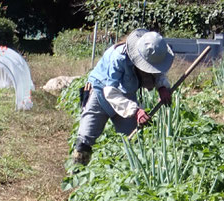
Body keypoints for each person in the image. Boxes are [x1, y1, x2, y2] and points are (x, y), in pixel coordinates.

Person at [72, 28, 174, 165]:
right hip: (101, 92)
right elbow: (110, 92)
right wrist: (135, 110)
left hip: (126, 94)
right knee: (84, 141)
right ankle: (78, 174)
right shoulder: (118, 57)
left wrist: (162, 86)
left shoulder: (151, 53)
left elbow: (156, 69)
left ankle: (129, 173)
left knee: (134, 140)